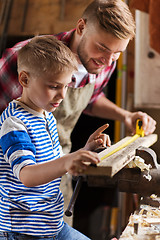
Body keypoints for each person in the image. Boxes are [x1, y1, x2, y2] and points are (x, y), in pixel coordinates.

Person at [0, 0, 156, 238]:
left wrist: (125, 116)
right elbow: (24, 166)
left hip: (56, 179)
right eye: (102, 48)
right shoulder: (24, 61)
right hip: (16, 193)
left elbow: (90, 99)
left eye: (117, 53)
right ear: (81, 27)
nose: (108, 60)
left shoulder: (104, 62)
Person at [0, 35, 111, 239]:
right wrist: (68, 161)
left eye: (66, 86)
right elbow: (27, 176)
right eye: (53, 86)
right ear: (25, 79)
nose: (62, 95)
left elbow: (54, 164)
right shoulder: (14, 124)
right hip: (24, 231)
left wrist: (85, 151)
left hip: (51, 224)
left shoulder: (47, 118)